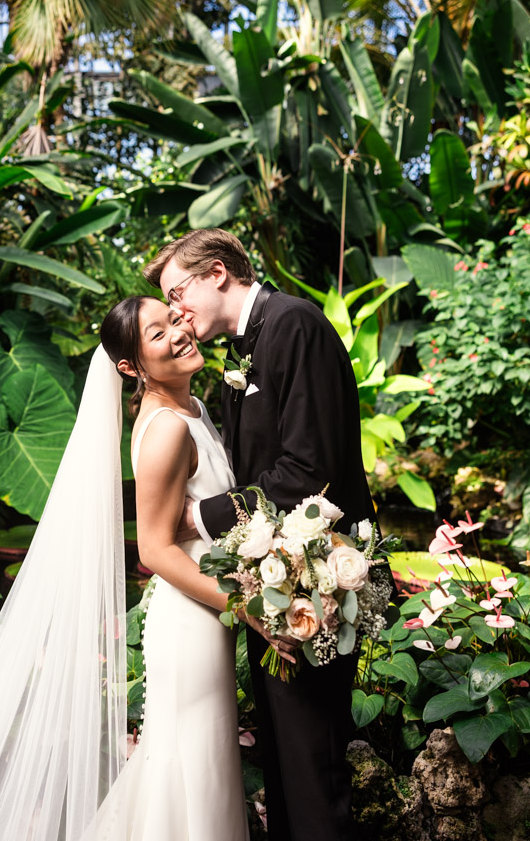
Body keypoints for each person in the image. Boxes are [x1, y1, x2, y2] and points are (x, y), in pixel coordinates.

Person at [0, 294, 295, 841]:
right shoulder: (166, 431)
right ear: (130, 367)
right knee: (191, 769)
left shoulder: (193, 409)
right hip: (192, 623)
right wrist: (250, 609)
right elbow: (153, 552)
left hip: (209, 609)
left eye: (175, 318)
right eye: (158, 334)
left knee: (197, 766)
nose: (179, 331)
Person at [144, 228, 377, 841]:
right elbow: (254, 467)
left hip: (317, 581)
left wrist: (200, 519)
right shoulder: (239, 348)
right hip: (272, 582)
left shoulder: (294, 325)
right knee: (285, 761)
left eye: (178, 293)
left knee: (313, 763)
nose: (177, 313)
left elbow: (309, 470)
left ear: (217, 272)